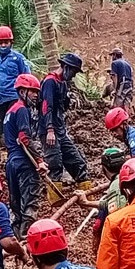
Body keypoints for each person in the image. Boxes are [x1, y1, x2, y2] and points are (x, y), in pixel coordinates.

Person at [1, 73, 50, 232]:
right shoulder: (21, 110)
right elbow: (24, 138)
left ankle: (15, 241)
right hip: (24, 162)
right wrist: (40, 160)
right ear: (22, 92)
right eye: (32, 91)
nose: (36, 95)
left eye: (37, 92)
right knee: (30, 203)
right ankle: (26, 240)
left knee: (15, 206)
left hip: (11, 163)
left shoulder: (9, 112)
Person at [40, 53, 91, 187]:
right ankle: (56, 202)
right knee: (55, 164)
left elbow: (61, 108)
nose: (74, 75)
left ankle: (87, 194)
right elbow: (46, 107)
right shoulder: (50, 82)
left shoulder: (63, 84)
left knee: (77, 162)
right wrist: (50, 129)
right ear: (66, 67)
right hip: (49, 131)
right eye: (73, 71)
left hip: (60, 130)